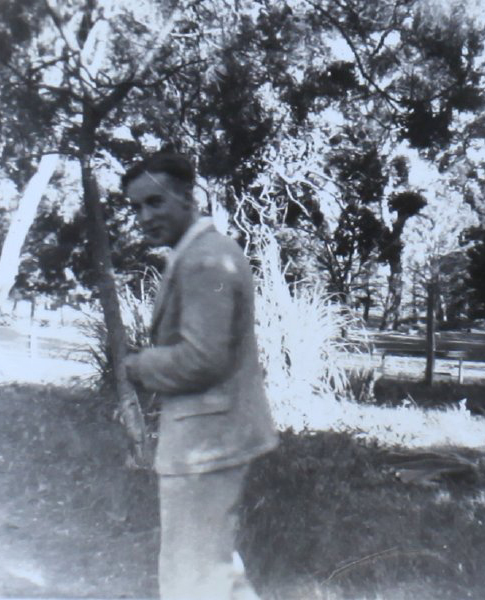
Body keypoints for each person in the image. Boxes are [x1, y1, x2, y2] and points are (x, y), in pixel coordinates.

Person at [122, 152, 278, 600]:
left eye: (154, 202)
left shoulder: (207, 260)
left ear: (187, 196)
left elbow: (204, 359)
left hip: (208, 441)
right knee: (215, 568)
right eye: (136, 207)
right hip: (211, 433)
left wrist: (140, 366)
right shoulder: (198, 253)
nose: (144, 217)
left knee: (190, 575)